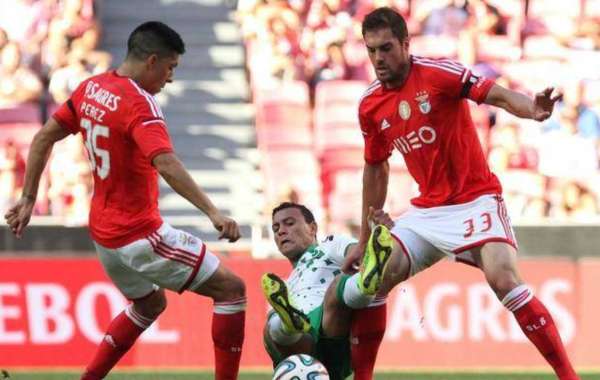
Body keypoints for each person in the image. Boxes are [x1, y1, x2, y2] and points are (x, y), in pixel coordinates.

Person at [343, 7, 579, 380]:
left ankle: (570, 377)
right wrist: (363, 239)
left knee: (504, 279)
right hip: (428, 211)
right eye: (371, 51)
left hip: (476, 198)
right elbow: (375, 168)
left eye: (385, 48)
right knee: (378, 276)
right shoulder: (371, 105)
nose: (378, 59)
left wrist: (531, 109)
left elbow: (497, 96)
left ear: (406, 43)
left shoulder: (438, 74)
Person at [4, 21, 246, 380]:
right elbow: (165, 162)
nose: (170, 79)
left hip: (103, 235)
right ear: (151, 61)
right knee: (232, 291)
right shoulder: (140, 104)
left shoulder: (91, 88)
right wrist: (212, 212)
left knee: (149, 304)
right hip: (139, 234)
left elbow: (42, 138)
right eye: (170, 68)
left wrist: (28, 197)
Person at [262, 202, 392, 380]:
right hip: (302, 347)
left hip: (333, 333)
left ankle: (365, 284)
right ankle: (290, 324)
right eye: (276, 228)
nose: (281, 231)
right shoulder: (284, 285)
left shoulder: (329, 245)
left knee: (336, 287)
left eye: (289, 223)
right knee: (272, 323)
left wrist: (371, 243)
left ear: (312, 228)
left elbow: (357, 252)